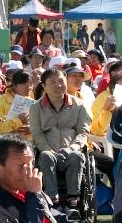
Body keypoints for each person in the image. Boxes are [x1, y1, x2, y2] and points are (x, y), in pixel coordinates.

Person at [28, 67, 91, 206]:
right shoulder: (35, 108)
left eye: (61, 81)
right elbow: (37, 133)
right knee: (45, 156)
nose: (58, 85)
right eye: (53, 82)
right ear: (44, 86)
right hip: (48, 149)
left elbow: (83, 132)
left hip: (71, 149)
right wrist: (48, 149)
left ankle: (73, 198)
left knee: (77, 156)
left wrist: (72, 148)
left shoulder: (79, 105)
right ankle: (52, 197)